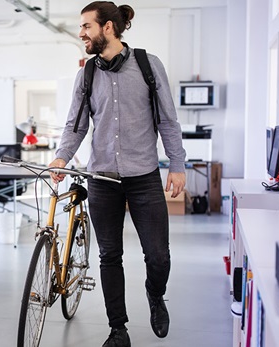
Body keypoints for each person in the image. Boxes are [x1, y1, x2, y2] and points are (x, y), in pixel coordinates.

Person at [49, 2, 186, 346]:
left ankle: (155, 294)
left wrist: (178, 164)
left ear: (107, 28)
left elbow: (167, 119)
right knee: (110, 255)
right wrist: (62, 157)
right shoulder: (87, 73)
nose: (81, 33)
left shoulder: (147, 65)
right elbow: (76, 124)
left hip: (144, 176)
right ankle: (118, 329)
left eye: (86, 27)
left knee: (158, 255)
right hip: (102, 179)